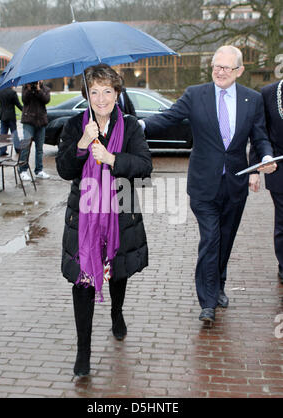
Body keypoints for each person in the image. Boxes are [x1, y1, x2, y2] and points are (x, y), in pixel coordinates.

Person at [140, 45, 276, 323]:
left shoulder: (252, 100)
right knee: (211, 238)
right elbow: (168, 118)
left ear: (239, 71)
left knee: (225, 240)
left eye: (226, 67)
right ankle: (208, 301)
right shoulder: (195, 94)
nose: (220, 72)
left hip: (235, 185)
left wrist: (265, 155)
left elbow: (260, 137)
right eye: (216, 66)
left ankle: (219, 285)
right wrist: (137, 126)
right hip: (203, 184)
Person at [55, 63, 152, 377]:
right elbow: (65, 170)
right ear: (87, 94)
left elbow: (144, 166)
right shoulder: (74, 126)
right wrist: (83, 144)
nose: (100, 98)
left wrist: (112, 159)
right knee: (83, 281)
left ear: (117, 93)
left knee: (117, 270)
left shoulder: (131, 126)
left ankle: (116, 311)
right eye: (94, 92)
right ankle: (84, 350)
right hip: (83, 215)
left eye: (107, 91)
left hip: (120, 209)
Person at [249, 80, 283, 285]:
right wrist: (254, 170)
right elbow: (259, 134)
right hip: (278, 167)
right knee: (282, 220)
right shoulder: (269, 93)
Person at [19, 80, 51, 181]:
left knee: (39, 148)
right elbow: (24, 100)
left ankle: (39, 170)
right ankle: (23, 170)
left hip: (41, 121)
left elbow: (46, 100)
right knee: (26, 146)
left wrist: (38, 90)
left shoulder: (45, 89)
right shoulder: (25, 87)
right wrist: (29, 89)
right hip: (28, 121)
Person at [0, 86, 23, 156]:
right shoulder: (13, 92)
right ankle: (17, 149)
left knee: (3, 134)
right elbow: (18, 104)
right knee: (14, 133)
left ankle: (2, 151)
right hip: (11, 116)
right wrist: (24, 111)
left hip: (3, 116)